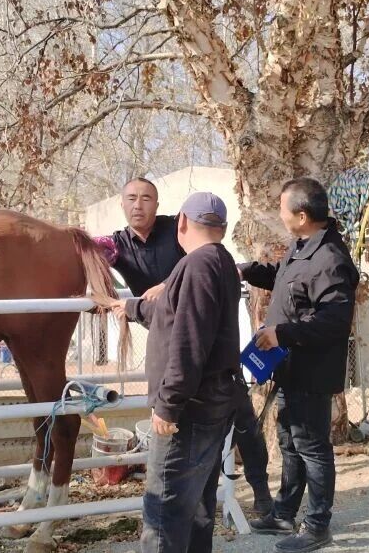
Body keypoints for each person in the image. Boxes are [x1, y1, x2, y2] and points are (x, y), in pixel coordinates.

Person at [102, 177, 273, 516]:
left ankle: (261, 493)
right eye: (132, 198)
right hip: (169, 334)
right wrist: (112, 301)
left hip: (200, 339)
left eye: (146, 198)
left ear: (161, 206)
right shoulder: (116, 245)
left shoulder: (179, 230)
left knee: (243, 423)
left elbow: (201, 271)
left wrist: (168, 286)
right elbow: (80, 249)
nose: (138, 205)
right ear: (122, 203)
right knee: (191, 446)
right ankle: (195, 511)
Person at [240, 178, 359, 553]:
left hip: (312, 370)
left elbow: (334, 322)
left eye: (283, 208)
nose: (280, 214)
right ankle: (284, 513)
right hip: (289, 367)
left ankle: (317, 525)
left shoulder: (331, 260)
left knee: (312, 447)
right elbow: (285, 278)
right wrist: (247, 271)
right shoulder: (304, 246)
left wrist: (282, 333)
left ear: (303, 215)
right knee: (290, 442)